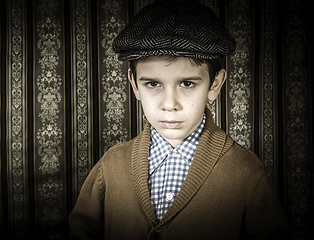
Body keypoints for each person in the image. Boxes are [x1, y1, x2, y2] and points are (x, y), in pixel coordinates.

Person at [68, 1, 290, 239]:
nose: (169, 104)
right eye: (153, 84)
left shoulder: (246, 172)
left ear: (214, 84)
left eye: (187, 83)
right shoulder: (111, 165)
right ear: (134, 84)